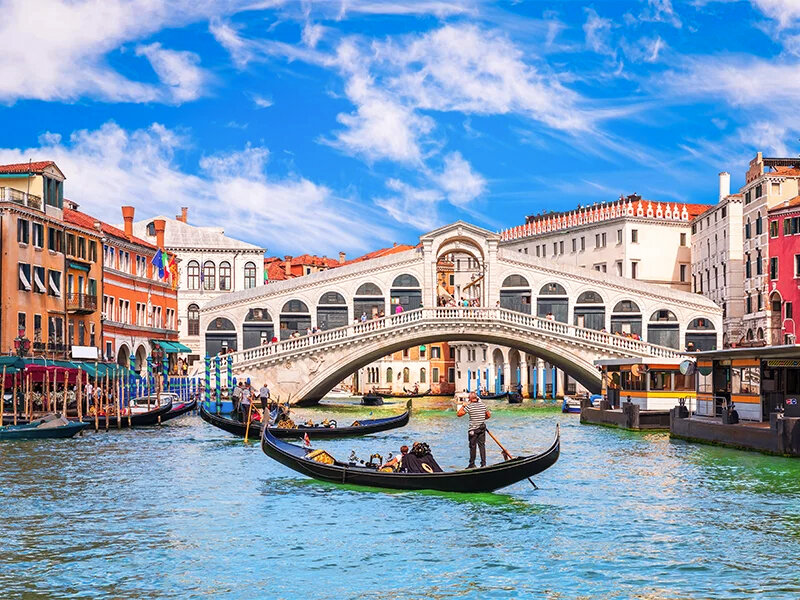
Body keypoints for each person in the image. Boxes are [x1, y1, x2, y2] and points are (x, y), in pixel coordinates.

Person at [457, 391, 491, 469]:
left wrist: (463, 405)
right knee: (482, 446)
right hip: (482, 427)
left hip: (473, 429)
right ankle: (483, 464)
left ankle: (472, 464)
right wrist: (481, 418)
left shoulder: (470, 406)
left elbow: (459, 414)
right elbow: (488, 415)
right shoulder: (483, 405)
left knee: (473, 447)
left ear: (470, 399)